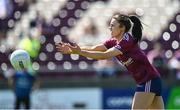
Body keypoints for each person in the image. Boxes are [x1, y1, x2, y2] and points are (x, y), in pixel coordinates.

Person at [56, 13, 164, 109]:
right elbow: (95, 48)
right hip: (151, 80)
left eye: (113, 25)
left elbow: (104, 55)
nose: (109, 27)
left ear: (122, 28)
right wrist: (72, 51)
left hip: (148, 80)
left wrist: (79, 52)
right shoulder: (113, 41)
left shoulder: (126, 41)